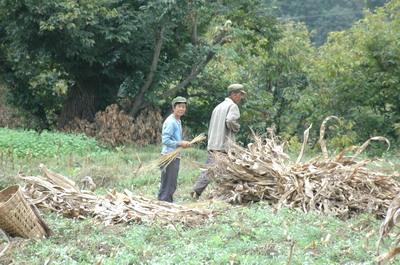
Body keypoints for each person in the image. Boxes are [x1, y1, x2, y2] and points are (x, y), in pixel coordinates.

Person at [191, 83, 246, 199]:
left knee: (211, 170)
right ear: (234, 94)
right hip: (224, 146)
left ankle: (197, 191)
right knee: (228, 171)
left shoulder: (218, 107)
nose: (241, 97)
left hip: (213, 144)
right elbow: (230, 120)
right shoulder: (232, 106)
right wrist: (236, 127)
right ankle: (222, 195)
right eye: (240, 94)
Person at [158, 96, 191, 203]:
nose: (181, 109)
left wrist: (181, 144)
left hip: (174, 155)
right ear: (173, 108)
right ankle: (165, 203)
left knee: (170, 182)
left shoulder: (178, 120)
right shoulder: (171, 122)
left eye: (183, 107)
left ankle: (165, 201)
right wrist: (180, 143)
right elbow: (165, 140)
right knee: (169, 182)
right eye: (179, 107)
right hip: (169, 156)